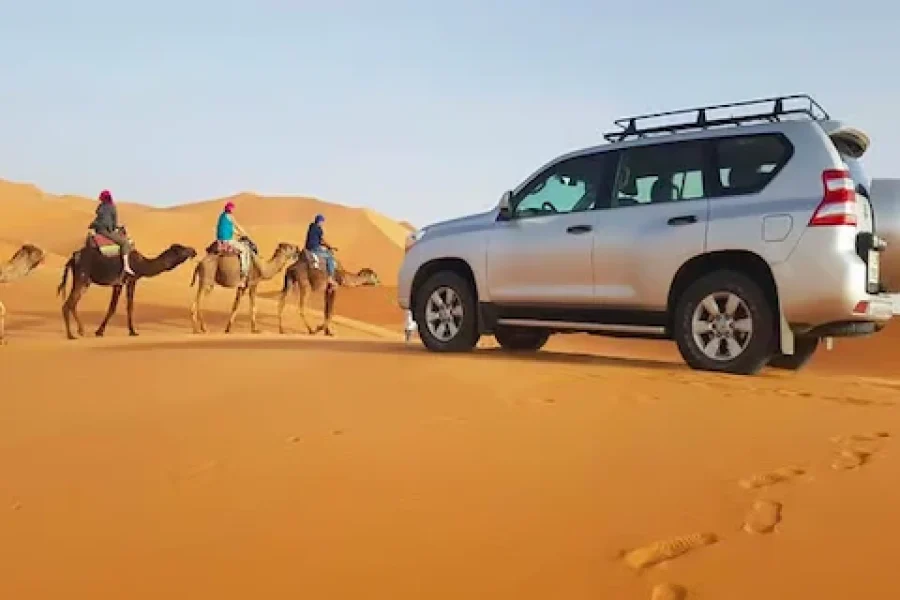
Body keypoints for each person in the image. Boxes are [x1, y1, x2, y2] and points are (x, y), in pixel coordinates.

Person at [90, 190, 134, 275]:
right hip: (105, 230)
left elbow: (100, 218)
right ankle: (126, 266)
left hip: (98, 229)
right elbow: (113, 222)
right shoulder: (112, 207)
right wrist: (115, 228)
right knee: (124, 242)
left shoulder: (100, 206)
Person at [216, 201, 252, 285]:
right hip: (227, 240)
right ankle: (244, 273)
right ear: (230, 209)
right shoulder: (230, 216)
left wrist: (240, 234)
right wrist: (245, 233)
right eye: (232, 208)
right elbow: (237, 226)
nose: (233, 210)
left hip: (220, 239)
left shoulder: (222, 216)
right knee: (244, 249)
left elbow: (231, 229)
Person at [305, 214, 338, 287]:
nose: (323, 223)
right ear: (320, 222)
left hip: (308, 248)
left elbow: (316, 240)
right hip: (315, 249)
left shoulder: (311, 227)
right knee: (330, 257)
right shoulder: (319, 229)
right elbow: (322, 240)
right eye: (322, 222)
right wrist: (330, 247)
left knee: (325, 251)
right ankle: (330, 277)